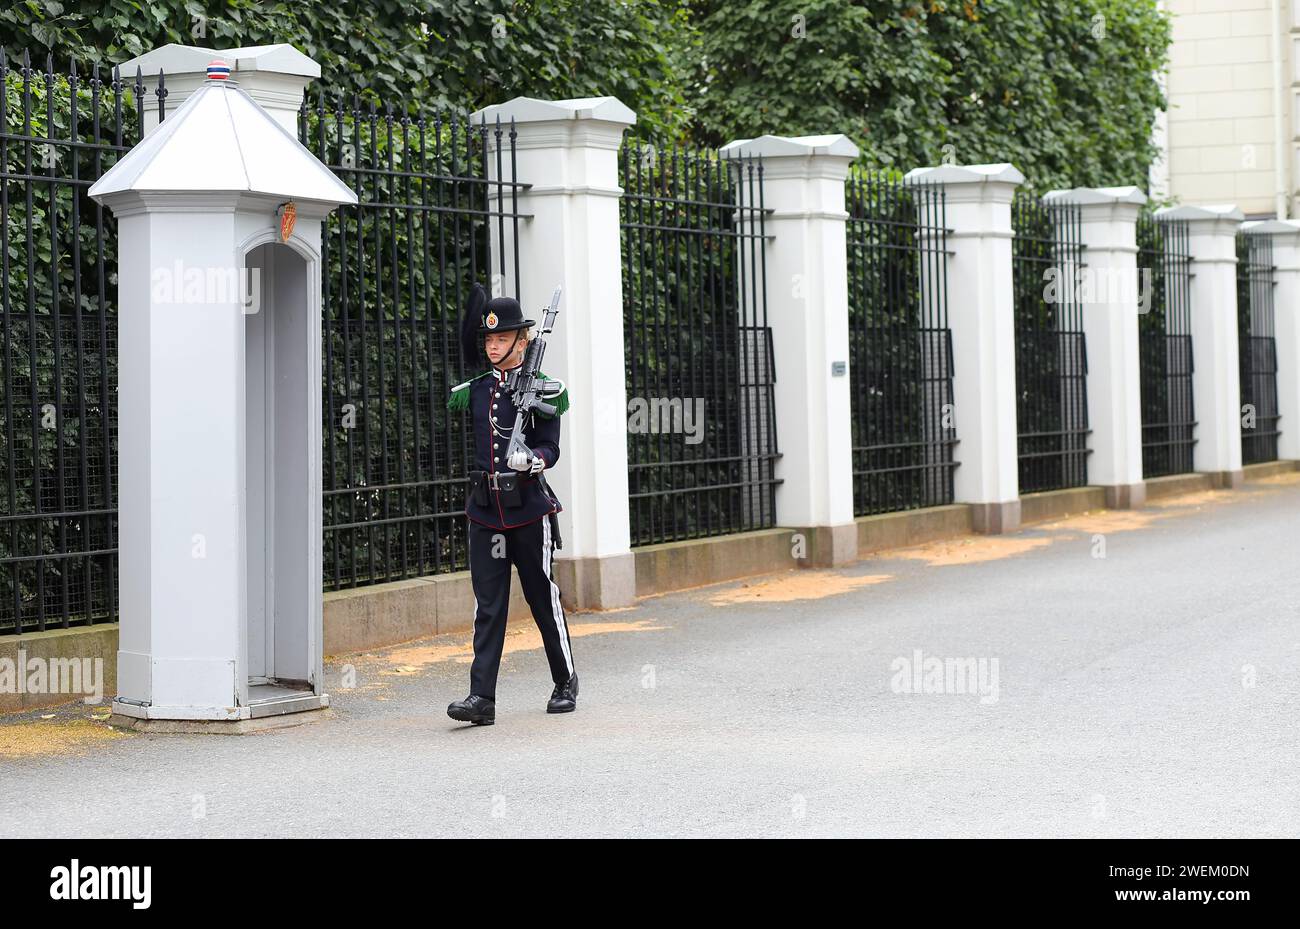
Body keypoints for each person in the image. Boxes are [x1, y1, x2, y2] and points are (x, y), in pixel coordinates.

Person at [445, 284, 577, 726]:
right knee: (489, 605)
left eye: (501, 339)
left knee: (542, 597)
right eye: (489, 340)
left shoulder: (543, 388)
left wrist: (534, 459)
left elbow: (551, 447)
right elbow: (465, 341)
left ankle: (564, 680)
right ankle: (481, 698)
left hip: (527, 510)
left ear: (522, 342)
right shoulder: (478, 389)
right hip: (485, 510)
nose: (492, 346)